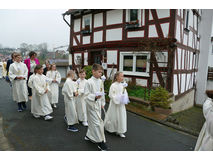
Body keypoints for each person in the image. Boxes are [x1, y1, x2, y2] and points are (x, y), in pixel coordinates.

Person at [84, 63, 108, 151]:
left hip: (98, 105)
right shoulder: (88, 82)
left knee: (93, 122)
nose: (100, 74)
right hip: (91, 105)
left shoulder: (101, 81)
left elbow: (102, 92)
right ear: (93, 71)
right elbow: (86, 95)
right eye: (99, 72)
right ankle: (101, 142)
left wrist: (102, 102)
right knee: (97, 124)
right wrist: (94, 97)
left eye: (101, 72)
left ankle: (88, 135)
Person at [104, 72, 129, 138]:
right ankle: (111, 129)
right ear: (117, 77)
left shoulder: (122, 85)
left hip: (121, 105)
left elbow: (125, 93)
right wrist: (118, 98)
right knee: (113, 116)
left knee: (121, 117)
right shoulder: (113, 85)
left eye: (123, 76)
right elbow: (111, 95)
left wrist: (124, 97)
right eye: (121, 76)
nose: (122, 78)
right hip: (114, 104)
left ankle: (120, 131)